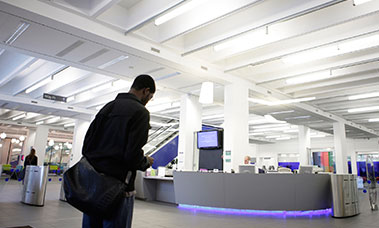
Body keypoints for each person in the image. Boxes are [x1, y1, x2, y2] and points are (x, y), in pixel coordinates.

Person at [82, 74, 156, 228]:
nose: (148, 100)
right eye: (150, 97)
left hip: (93, 185)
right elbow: (131, 155)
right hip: (118, 188)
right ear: (145, 91)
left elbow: (86, 147)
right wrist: (145, 162)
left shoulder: (107, 107)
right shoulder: (141, 112)